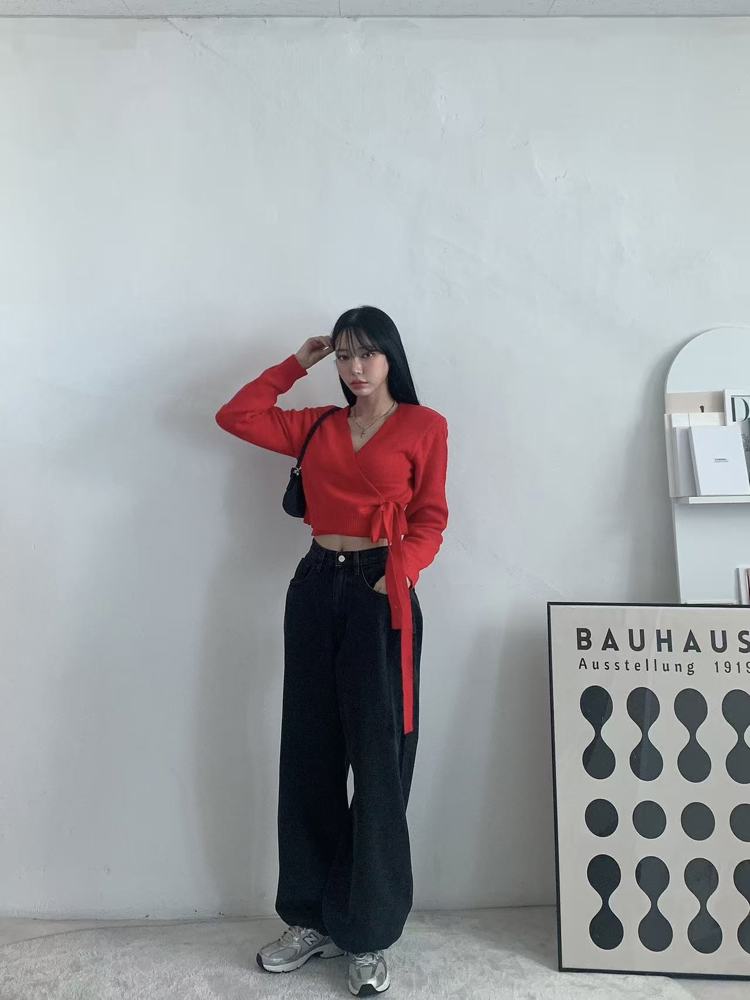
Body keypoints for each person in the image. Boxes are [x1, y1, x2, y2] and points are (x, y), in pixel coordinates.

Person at [214, 305, 449, 996]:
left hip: (382, 591)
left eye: (366, 353)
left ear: (390, 356)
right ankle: (310, 918)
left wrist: (396, 571)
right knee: (309, 754)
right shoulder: (317, 423)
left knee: (379, 759)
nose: (354, 367)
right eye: (344, 354)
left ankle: (367, 930)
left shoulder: (424, 425)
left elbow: (432, 517)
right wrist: (296, 363)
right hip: (316, 585)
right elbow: (236, 415)